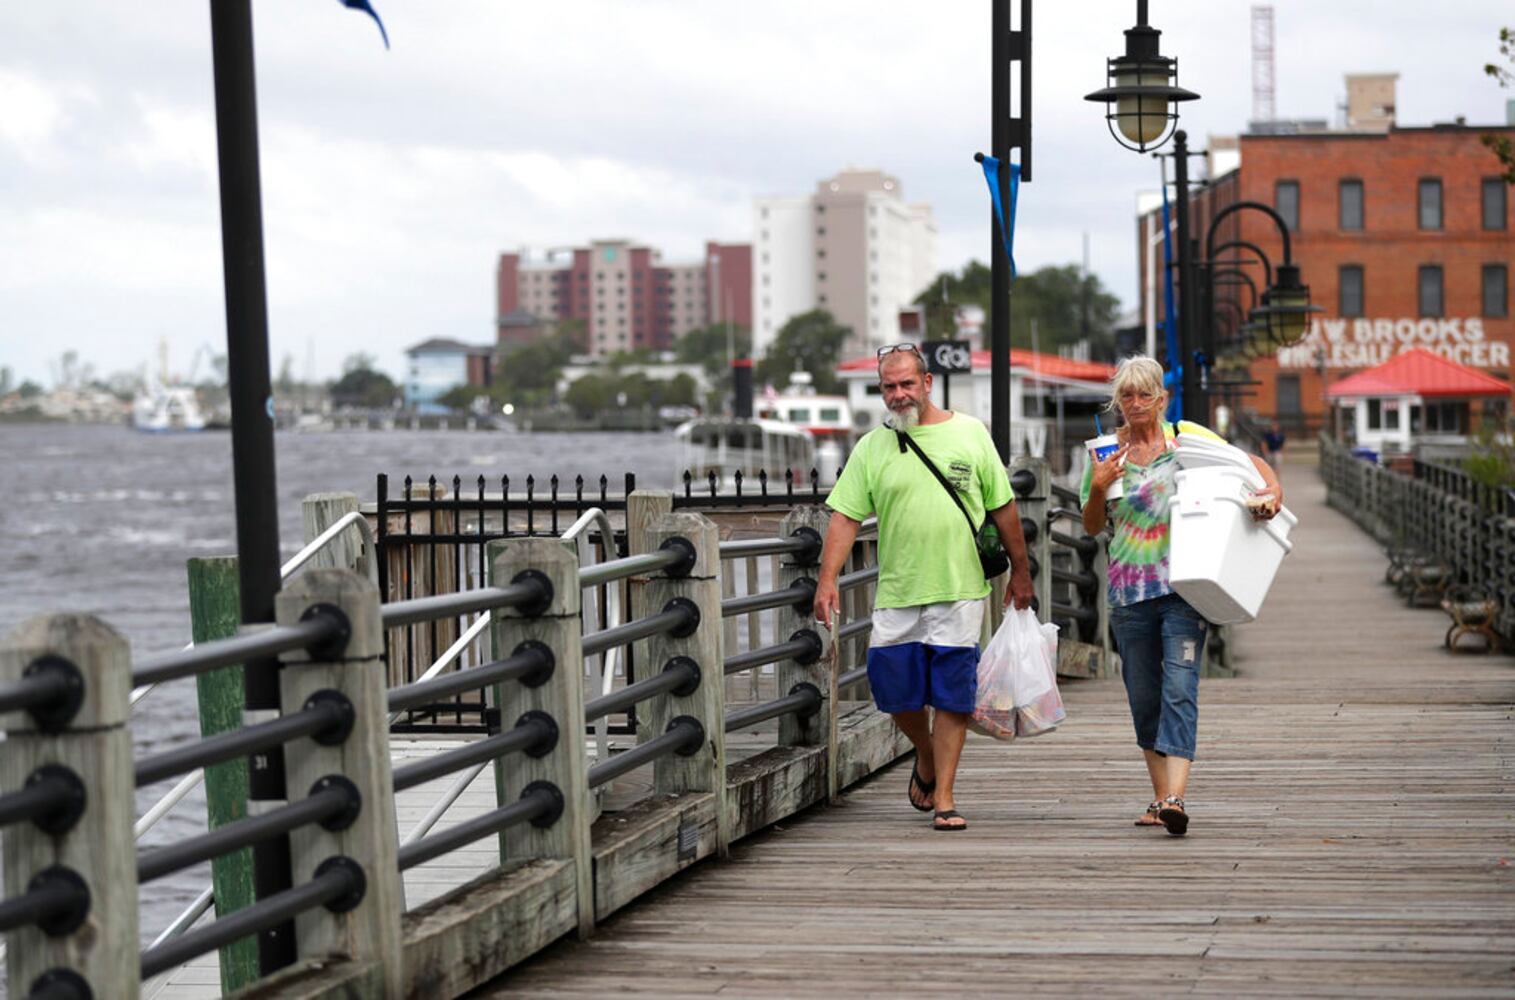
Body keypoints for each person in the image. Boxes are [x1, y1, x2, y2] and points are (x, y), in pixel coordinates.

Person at [813, 344, 1034, 832]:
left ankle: (946, 800)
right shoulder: (872, 448)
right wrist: (827, 579)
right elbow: (846, 517)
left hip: (959, 587)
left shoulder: (969, 434)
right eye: (888, 387)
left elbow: (1004, 508)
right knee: (894, 691)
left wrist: (1021, 572)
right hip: (898, 589)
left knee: (953, 695)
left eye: (906, 384)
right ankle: (927, 755)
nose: (897, 394)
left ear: (927, 383)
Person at [1080, 355, 1283, 836]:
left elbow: (1247, 463)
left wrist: (1272, 488)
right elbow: (1091, 526)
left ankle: (1175, 797)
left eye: (1143, 395)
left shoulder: (1184, 437)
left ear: (1162, 398)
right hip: (1129, 593)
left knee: (1179, 687)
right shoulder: (1108, 452)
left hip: (1183, 585)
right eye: (1126, 396)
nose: (1134, 404)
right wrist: (1098, 487)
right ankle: (1159, 797)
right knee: (1145, 698)